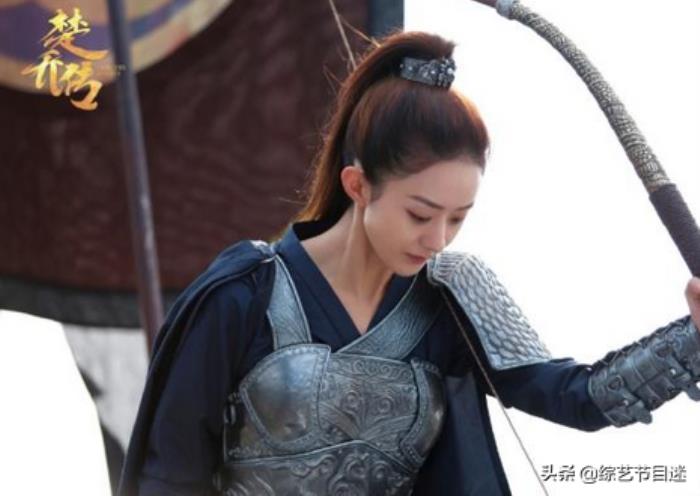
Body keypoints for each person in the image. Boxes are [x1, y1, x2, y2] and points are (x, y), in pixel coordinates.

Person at [118, 31, 700, 496]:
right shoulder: (245, 295)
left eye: (458, 218)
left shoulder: (450, 300)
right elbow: (167, 476)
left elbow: (579, 397)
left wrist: (692, 337)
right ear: (358, 185)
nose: (438, 239)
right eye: (421, 214)